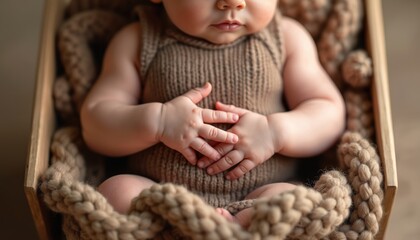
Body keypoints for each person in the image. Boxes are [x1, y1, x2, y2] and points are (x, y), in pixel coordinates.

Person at [80, 0, 345, 228]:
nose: (232, 3)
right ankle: (185, 228)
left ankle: (236, 228)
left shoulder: (286, 38)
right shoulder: (138, 40)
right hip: (162, 196)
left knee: (294, 201)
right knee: (115, 193)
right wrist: (158, 122)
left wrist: (276, 131)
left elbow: (327, 111)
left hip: (260, 195)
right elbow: (95, 123)